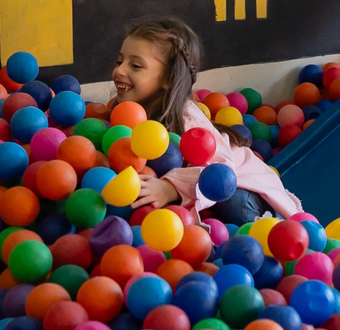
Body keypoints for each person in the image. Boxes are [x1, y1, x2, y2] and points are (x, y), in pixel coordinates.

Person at [110, 16, 304, 224]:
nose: (119, 71)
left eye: (136, 66)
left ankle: (267, 228)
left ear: (168, 78)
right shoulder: (123, 112)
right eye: (120, 61)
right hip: (202, 198)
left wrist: (170, 188)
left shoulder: (187, 118)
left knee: (233, 203)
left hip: (247, 191)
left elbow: (220, 172)